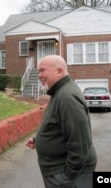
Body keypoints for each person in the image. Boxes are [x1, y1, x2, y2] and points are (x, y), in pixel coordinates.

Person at [26, 55, 97, 188]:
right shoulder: (59, 92)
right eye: (38, 71)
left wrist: (68, 177)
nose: (39, 75)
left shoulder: (67, 96)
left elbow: (80, 142)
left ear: (59, 72)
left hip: (68, 175)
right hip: (61, 172)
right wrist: (39, 140)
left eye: (42, 70)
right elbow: (61, 127)